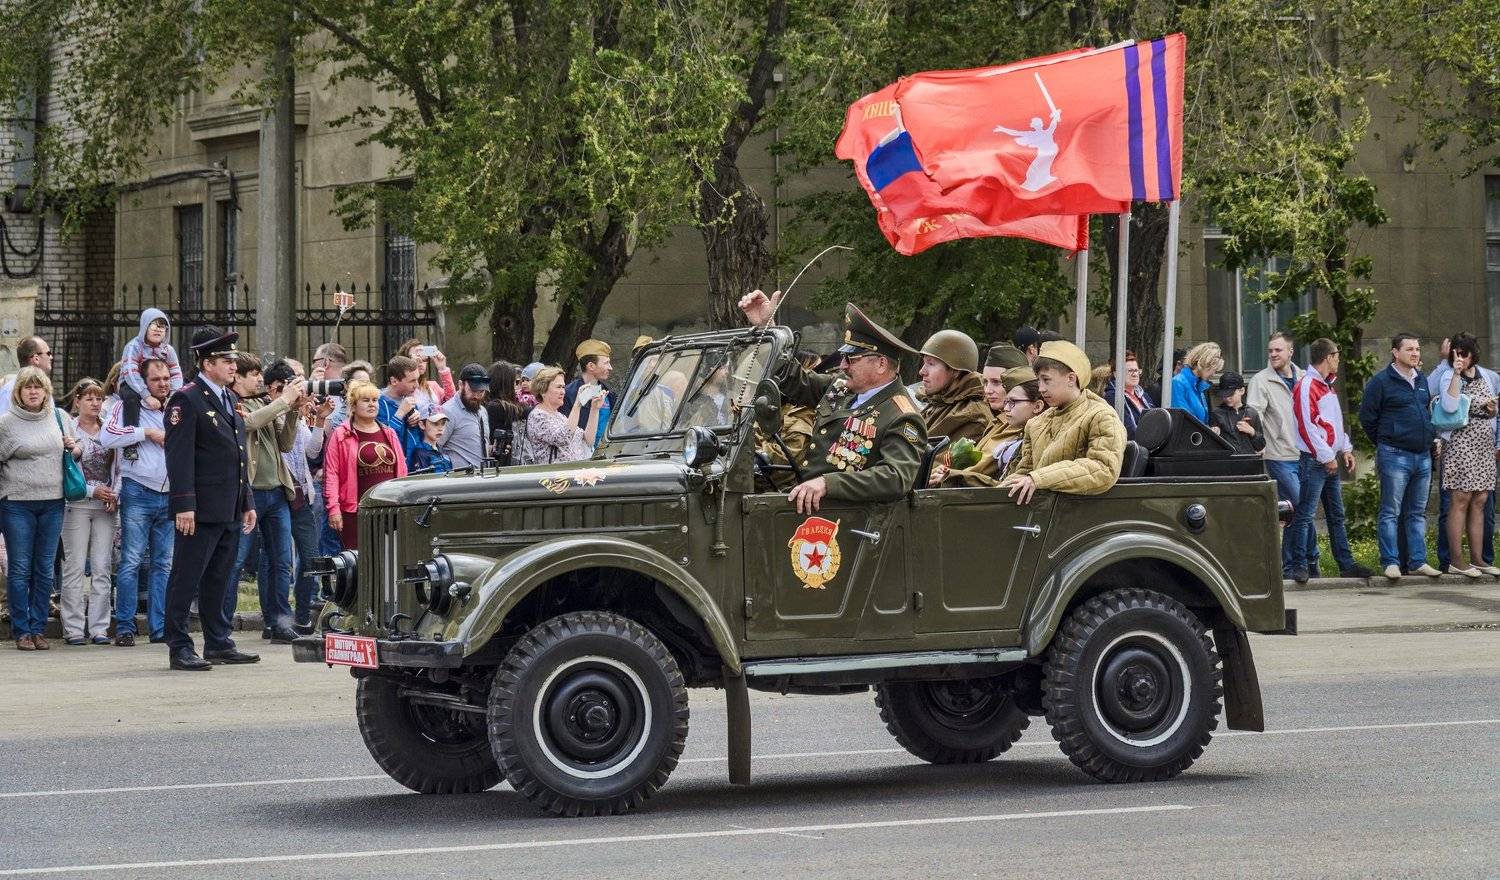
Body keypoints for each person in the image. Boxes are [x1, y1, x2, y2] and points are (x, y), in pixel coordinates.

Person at [739, 291, 927, 513]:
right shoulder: (840, 388)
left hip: (850, 516)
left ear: (881, 364)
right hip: (809, 506)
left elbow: (895, 478)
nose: (843, 365)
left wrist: (828, 484)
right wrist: (767, 329)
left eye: (851, 359)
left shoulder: (902, 415)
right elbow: (791, 378)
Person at [162, 328, 259, 671]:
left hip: (228, 504)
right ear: (207, 363)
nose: (233, 365)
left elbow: (238, 455)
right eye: (226, 360)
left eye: (234, 359)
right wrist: (184, 504)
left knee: (219, 577)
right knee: (186, 577)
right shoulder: (187, 399)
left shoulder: (228, 398)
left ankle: (218, 642)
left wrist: (246, 500)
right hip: (200, 508)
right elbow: (179, 457)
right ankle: (179, 646)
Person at [231, 357, 306, 643]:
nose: (260, 379)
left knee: (281, 561)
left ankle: (280, 623)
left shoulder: (264, 403)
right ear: (237, 377)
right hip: (249, 494)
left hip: (276, 492)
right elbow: (248, 424)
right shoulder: (232, 402)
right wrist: (284, 401)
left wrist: (294, 411)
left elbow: (285, 444)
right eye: (253, 374)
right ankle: (222, 626)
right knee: (236, 561)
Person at [102, 358, 175, 645]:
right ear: (142, 383)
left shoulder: (176, 406)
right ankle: (125, 627)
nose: (163, 384)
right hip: (138, 491)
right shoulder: (126, 406)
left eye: (166, 378)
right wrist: (148, 433)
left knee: (163, 564)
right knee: (131, 561)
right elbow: (107, 436)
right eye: (156, 379)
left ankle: (159, 628)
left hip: (170, 493)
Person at [0, 367, 74, 650]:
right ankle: (21, 631)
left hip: (53, 502)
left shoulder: (59, 417)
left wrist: (73, 447)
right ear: (18, 392)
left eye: (38, 387)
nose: (33, 392)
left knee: (44, 569)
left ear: (46, 391)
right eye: (27, 387)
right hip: (16, 504)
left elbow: (74, 453)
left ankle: (38, 628)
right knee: (20, 568)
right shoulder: (6, 424)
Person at [1358, 333, 1442, 581]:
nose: (1415, 353)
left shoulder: (1421, 379)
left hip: (1422, 456)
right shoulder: (1381, 382)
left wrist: (1431, 438)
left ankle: (1417, 561)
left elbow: (1426, 413)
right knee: (1390, 512)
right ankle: (1391, 562)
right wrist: (1387, 440)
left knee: (1416, 513)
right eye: (1409, 349)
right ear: (1395, 353)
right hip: (1394, 455)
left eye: (1417, 349)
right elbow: (1367, 418)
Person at [999, 341, 1126, 503]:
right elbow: (1024, 472)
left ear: (1071, 379)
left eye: (1046, 380)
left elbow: (1103, 469)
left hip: (1079, 510)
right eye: (1038, 381)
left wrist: (1039, 478)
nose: (1041, 388)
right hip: (1040, 509)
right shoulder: (1036, 423)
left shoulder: (1101, 416)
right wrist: (997, 494)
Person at [1288, 338, 1372, 583]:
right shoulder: (1307, 386)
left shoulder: (1326, 386)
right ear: (1328, 357)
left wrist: (1345, 448)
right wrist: (1326, 456)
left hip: (1327, 459)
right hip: (1315, 460)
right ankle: (1299, 565)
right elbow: (1306, 426)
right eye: (1336, 355)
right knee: (1305, 514)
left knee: (1336, 515)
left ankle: (1346, 564)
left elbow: (1334, 423)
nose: (1339, 359)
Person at [1426, 336, 1500, 571]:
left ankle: (1478, 559)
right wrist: (1456, 374)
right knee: (1460, 499)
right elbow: (1449, 407)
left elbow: (1492, 413)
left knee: (1480, 499)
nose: (1460, 358)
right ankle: (1456, 560)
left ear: (1473, 354)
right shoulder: (1449, 375)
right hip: (1461, 442)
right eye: (1456, 353)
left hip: (1483, 443)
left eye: (1464, 354)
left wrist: (1492, 409)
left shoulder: (1485, 375)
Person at [60, 378, 117, 646]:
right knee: (73, 567)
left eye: (99, 398)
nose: (95, 403)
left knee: (102, 567)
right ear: (78, 401)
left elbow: (120, 467)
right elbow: (64, 470)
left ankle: (99, 628)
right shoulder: (69, 430)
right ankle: (72, 628)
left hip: (106, 506)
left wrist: (115, 493)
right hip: (77, 505)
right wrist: (93, 491)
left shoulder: (110, 429)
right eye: (89, 398)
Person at [1248, 332, 1306, 579]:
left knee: (1303, 509)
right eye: (1270, 350)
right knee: (1298, 506)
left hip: (1304, 454)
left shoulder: (1304, 377)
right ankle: (1291, 564)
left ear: (1290, 351)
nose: (1273, 354)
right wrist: (1257, 440)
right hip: (1278, 454)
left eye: (1278, 350)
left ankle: (1309, 561)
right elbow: (1254, 415)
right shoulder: (1261, 380)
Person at [324, 381, 407, 549]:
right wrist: (333, 509)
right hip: (355, 511)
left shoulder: (389, 433)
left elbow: (402, 471)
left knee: (389, 557)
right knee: (359, 559)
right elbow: (331, 475)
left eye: (375, 400)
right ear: (353, 406)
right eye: (366, 400)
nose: (372, 404)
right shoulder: (341, 434)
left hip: (390, 510)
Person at [930, 363, 1041, 488]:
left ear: (1038, 406)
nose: (988, 390)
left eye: (997, 382)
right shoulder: (1002, 421)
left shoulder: (975, 413)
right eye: (985, 382)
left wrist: (953, 475)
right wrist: (947, 471)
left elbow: (1001, 483)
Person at [116, 308, 183, 460]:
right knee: (131, 398)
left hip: (157, 385)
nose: (158, 329)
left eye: (162, 326)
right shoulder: (133, 346)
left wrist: (173, 395)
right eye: (154, 325)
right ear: (145, 326)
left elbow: (176, 373)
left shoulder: (168, 350)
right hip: (133, 385)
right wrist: (146, 395)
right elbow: (131, 373)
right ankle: (130, 445)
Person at [916, 330, 990, 443]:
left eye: (931, 364)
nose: (922, 371)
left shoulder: (971, 417)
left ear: (956, 371)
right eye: (924, 363)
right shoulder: (939, 400)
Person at [522, 366, 602, 464]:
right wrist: (578, 403)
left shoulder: (560, 416)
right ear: (543, 391)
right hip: (555, 473)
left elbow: (588, 440)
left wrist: (595, 408)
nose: (563, 392)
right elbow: (564, 438)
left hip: (575, 470)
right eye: (558, 387)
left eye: (563, 387)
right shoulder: (538, 416)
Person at [561, 340, 616, 447]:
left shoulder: (609, 393)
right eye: (606, 363)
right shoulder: (568, 394)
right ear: (591, 366)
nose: (610, 368)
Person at [437, 363, 491, 469]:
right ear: (461, 385)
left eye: (481, 392)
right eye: (473, 390)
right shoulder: (448, 411)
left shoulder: (482, 411)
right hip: (459, 476)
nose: (476, 396)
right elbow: (435, 447)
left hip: (484, 475)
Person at [377, 354, 424, 464]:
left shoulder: (410, 400)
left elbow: (418, 439)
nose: (416, 385)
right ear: (394, 381)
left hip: (413, 467)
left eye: (417, 379)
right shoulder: (377, 403)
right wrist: (400, 413)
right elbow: (382, 441)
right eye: (412, 381)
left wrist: (419, 423)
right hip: (391, 466)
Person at [1104, 350, 1157, 440]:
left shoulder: (1144, 396)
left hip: (1152, 441)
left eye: (1136, 370)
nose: (1135, 374)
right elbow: (1128, 429)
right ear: (1116, 374)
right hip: (1133, 445)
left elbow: (1157, 419)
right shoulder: (1113, 397)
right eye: (1130, 371)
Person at [485, 361, 529, 467]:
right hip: (507, 462)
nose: (517, 386)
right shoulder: (503, 408)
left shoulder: (486, 406)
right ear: (508, 384)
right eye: (515, 382)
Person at [1209, 372, 1264, 455]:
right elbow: (1211, 446)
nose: (1227, 398)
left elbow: (1260, 446)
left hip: (1249, 460)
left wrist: (1252, 432)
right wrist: (1214, 434)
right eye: (1224, 395)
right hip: (1227, 460)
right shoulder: (1216, 414)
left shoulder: (1252, 413)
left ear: (1242, 390)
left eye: (1231, 394)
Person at [396, 337, 456, 414]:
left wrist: (443, 369)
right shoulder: (400, 387)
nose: (420, 361)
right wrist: (410, 369)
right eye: (416, 357)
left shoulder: (432, 386)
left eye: (424, 359)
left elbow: (452, 402)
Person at [0, 335, 54, 416]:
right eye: (48, 353)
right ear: (36, 358)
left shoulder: (44, 387)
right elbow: (3, 422)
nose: (51, 357)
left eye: (37, 387)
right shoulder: (10, 390)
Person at [1170, 342, 1221, 425]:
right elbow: (1182, 418)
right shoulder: (1178, 382)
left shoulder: (1199, 385)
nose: (1213, 374)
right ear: (1204, 364)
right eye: (1214, 369)